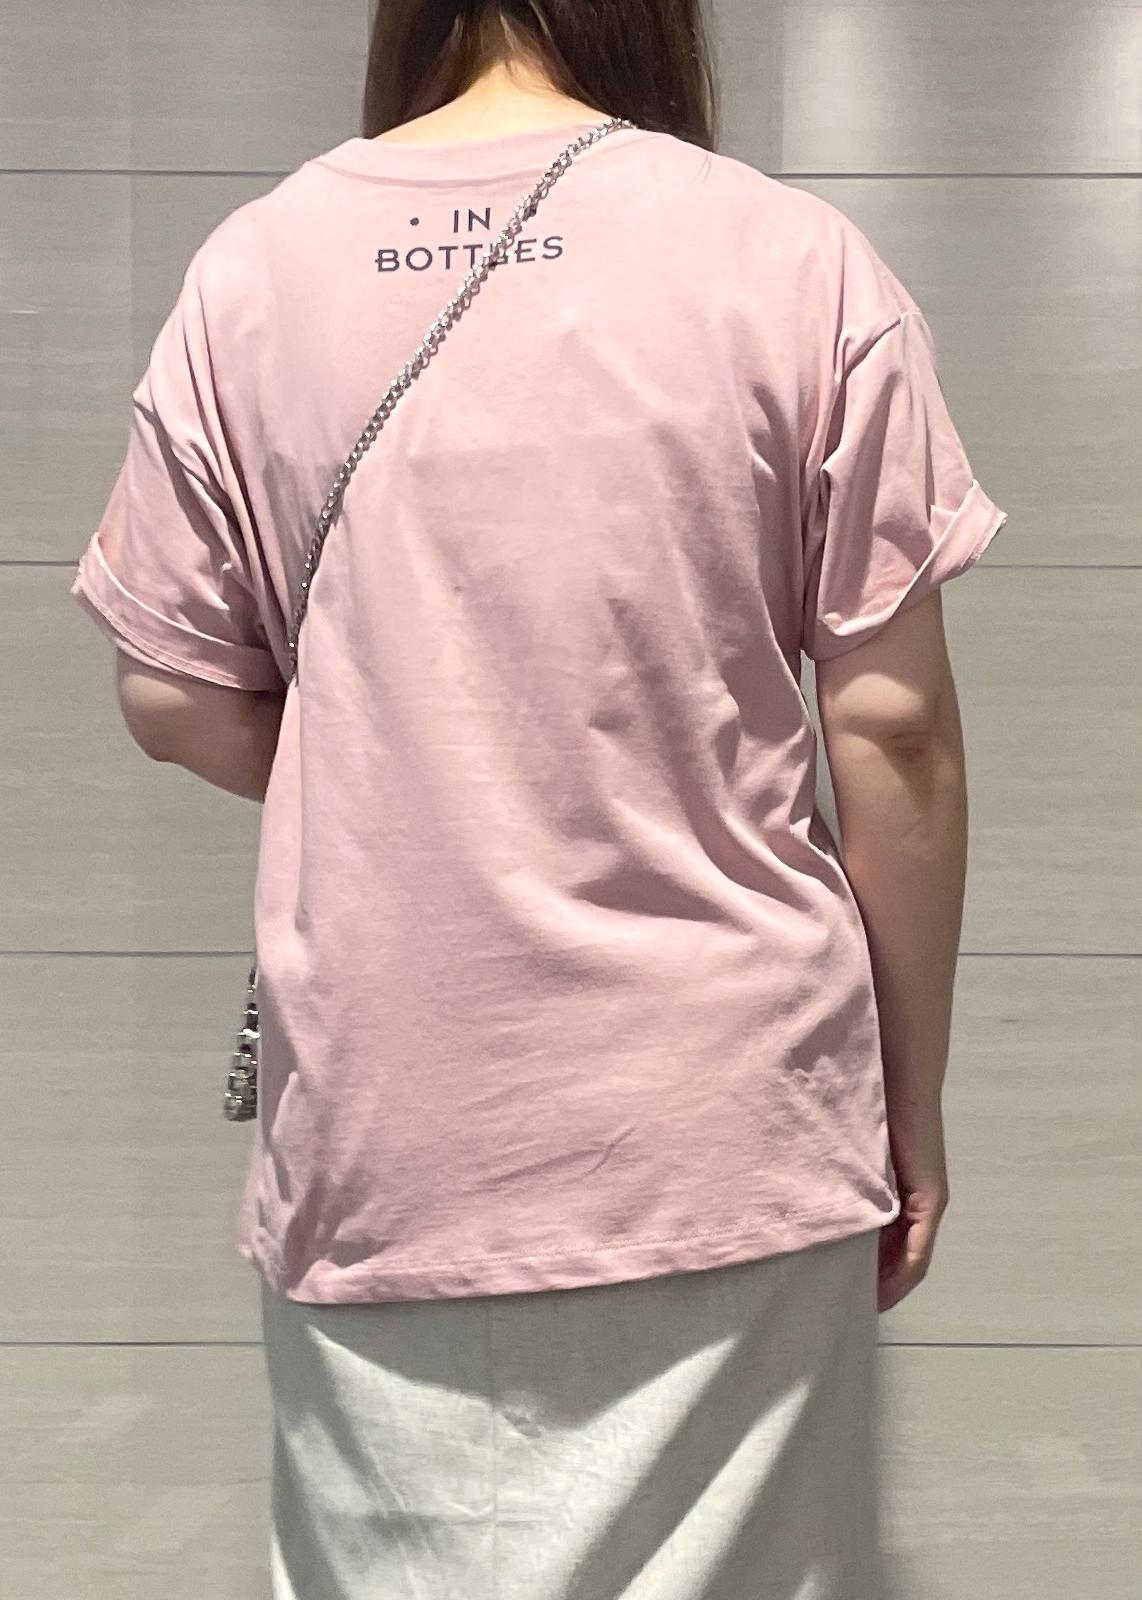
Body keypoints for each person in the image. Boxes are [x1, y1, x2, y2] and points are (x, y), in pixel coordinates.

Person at [68, 1, 1007, 1595]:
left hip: (389, 1129)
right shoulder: (788, 258)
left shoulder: (255, 270)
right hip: (730, 1119)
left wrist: (405, 764)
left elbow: (169, 693)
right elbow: (893, 727)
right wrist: (903, 1100)